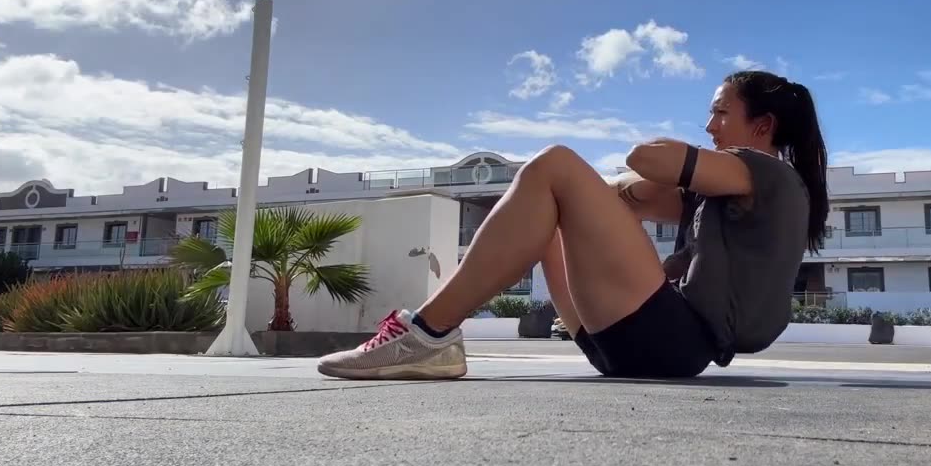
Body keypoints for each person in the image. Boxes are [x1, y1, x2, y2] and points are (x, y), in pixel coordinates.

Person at [317, 69, 829, 380]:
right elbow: (628, 197)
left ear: (762, 126)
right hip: (637, 348)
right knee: (552, 205)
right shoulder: (730, 194)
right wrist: (575, 197)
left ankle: (426, 334)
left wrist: (580, 183)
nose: (710, 126)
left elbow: (646, 159)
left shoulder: (761, 170)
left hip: (674, 340)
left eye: (720, 113)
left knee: (555, 162)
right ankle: (433, 333)